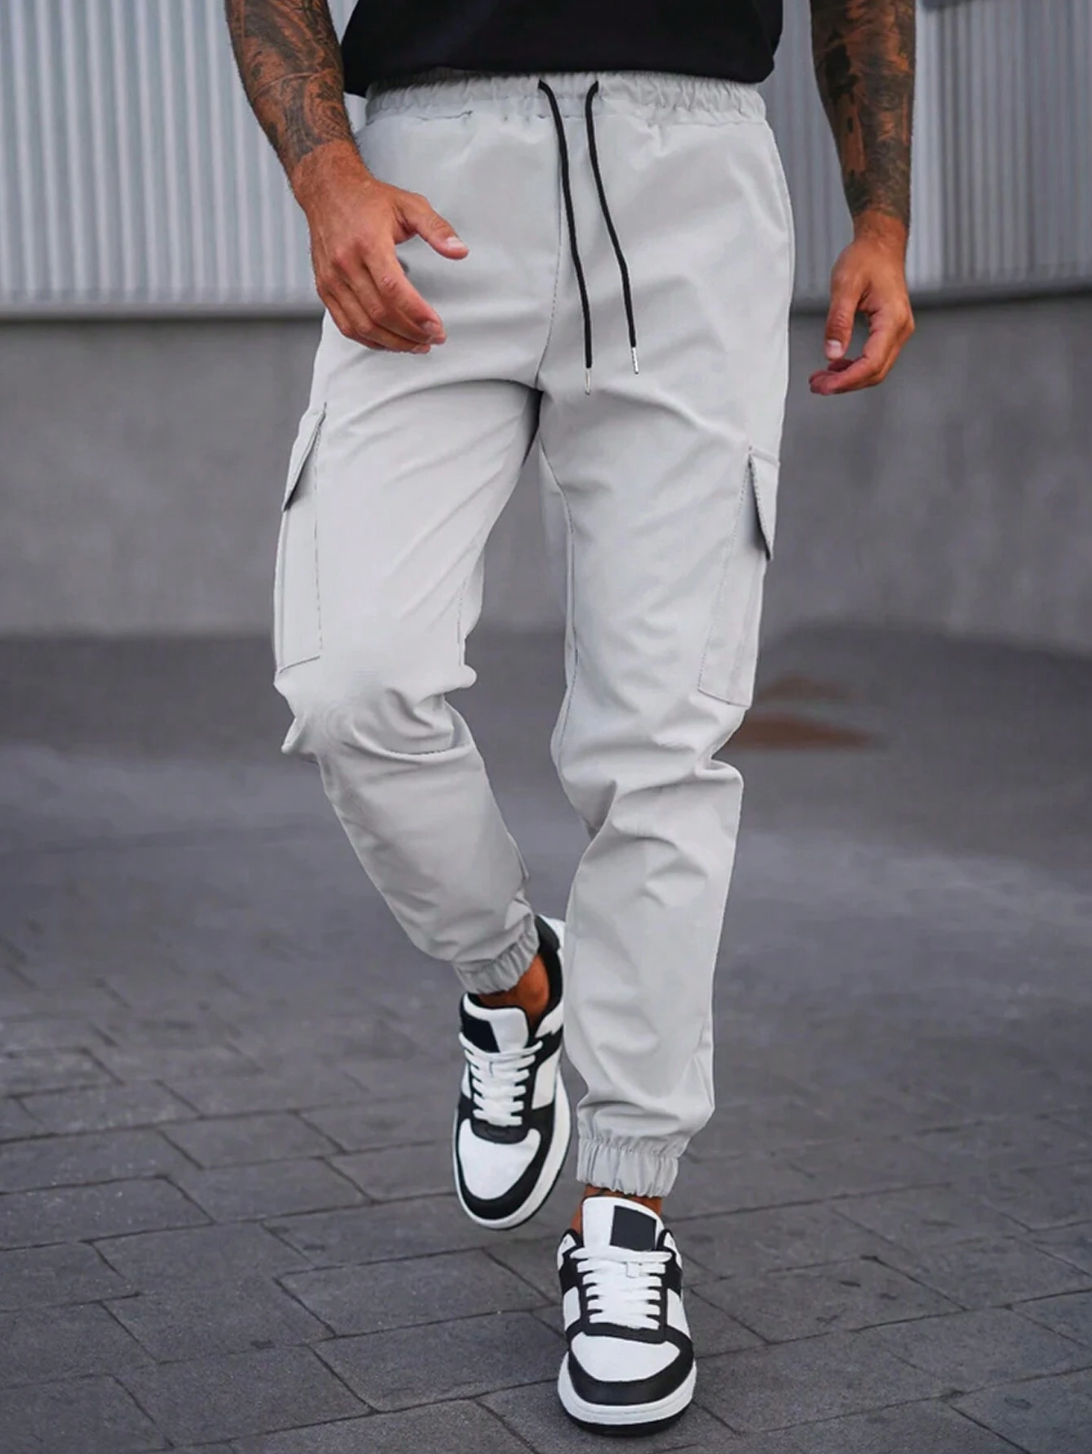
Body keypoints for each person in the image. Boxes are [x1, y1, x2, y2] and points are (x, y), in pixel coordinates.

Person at [227, 0, 915, 1433]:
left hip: (693, 181)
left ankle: (625, 1215)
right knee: (352, 677)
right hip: (432, 180)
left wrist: (885, 220)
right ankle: (513, 979)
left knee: (662, 741)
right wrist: (326, 171)